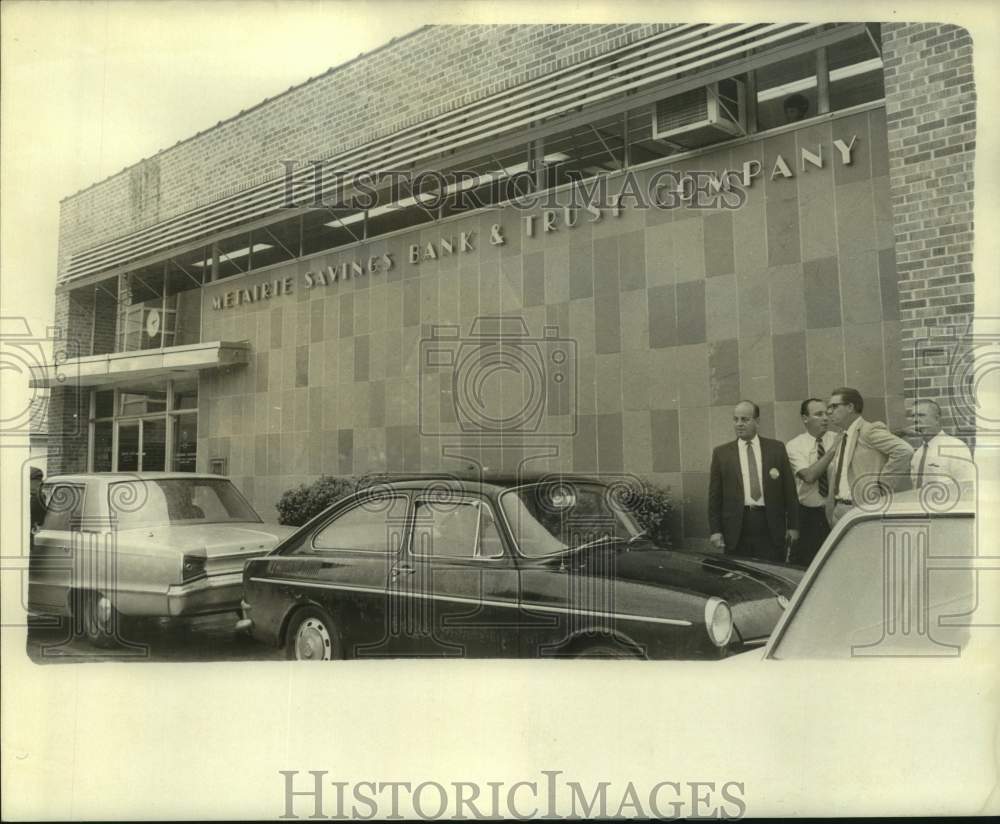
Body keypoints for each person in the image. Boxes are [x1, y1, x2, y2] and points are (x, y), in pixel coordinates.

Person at [708, 400, 799, 563]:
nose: (739, 424)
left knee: (772, 571)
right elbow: (715, 496)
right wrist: (715, 531)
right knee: (738, 575)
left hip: (769, 524)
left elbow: (789, 491)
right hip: (737, 527)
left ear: (757, 421)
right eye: (735, 419)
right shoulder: (722, 453)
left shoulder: (776, 448)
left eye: (745, 419)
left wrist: (793, 526)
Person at [825, 387, 914, 525]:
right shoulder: (842, 436)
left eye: (834, 406)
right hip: (839, 510)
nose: (829, 412)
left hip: (862, 509)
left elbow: (904, 450)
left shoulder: (868, 430)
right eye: (828, 407)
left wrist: (882, 485)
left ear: (850, 407)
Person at [785, 399, 843, 567]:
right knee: (807, 564)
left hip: (835, 512)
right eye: (818, 414)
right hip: (808, 516)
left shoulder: (838, 438)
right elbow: (809, 476)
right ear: (805, 418)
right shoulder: (794, 445)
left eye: (827, 413)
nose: (825, 418)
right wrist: (833, 450)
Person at [910, 399, 975, 494]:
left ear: (936, 419)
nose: (915, 420)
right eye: (913, 416)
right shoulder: (917, 455)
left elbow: (967, 487)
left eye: (921, 415)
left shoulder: (955, 448)